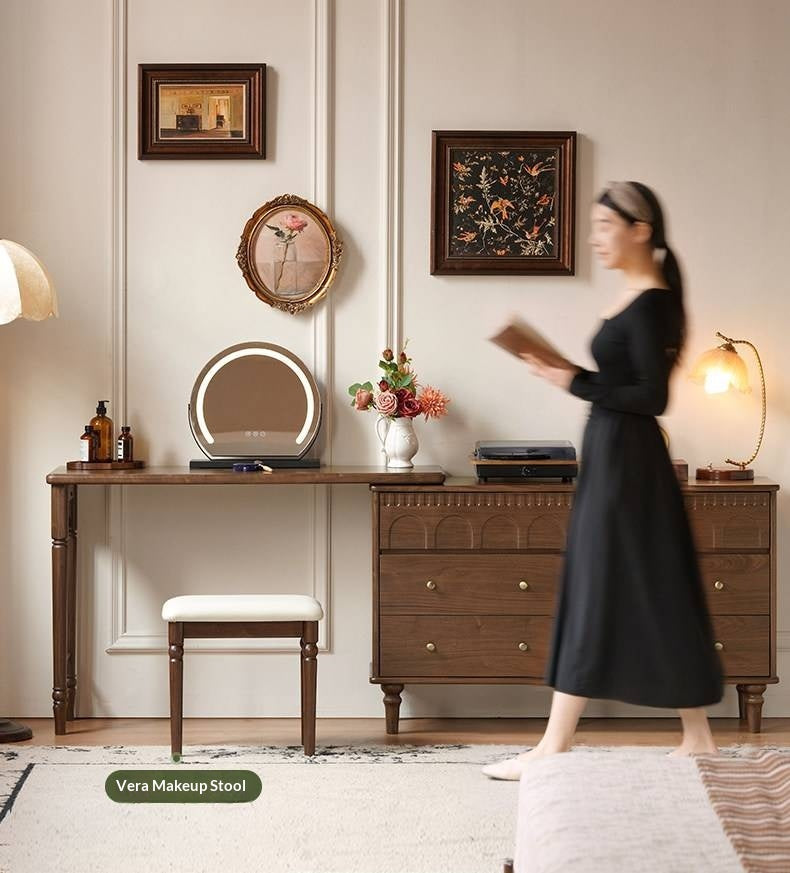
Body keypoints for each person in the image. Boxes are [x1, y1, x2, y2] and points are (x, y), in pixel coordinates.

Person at [482, 180, 724, 781]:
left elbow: (654, 396)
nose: (594, 239)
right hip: (614, 454)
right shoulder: (637, 298)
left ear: (640, 230)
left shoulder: (653, 302)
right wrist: (567, 372)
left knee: (599, 587)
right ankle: (696, 738)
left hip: (629, 462)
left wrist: (575, 382)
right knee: (640, 587)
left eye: (605, 226)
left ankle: (553, 746)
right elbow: (625, 383)